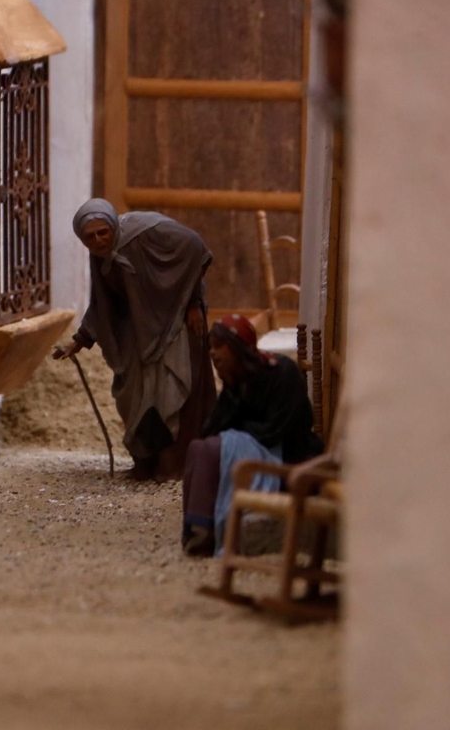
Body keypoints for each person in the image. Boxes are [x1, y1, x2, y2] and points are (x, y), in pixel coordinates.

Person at [54, 198, 216, 481]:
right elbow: (103, 304)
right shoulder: (100, 255)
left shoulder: (146, 232)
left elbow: (194, 247)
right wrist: (78, 341)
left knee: (173, 394)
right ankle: (146, 463)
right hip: (139, 335)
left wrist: (192, 303)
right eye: (90, 236)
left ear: (112, 226)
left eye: (103, 232)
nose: (99, 239)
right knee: (134, 396)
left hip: (175, 325)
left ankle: (174, 466)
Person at [182, 314, 323, 556]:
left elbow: (275, 430)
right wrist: (232, 404)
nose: (213, 355)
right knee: (198, 447)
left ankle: (206, 533)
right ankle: (198, 527)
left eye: (220, 347)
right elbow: (212, 428)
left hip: (290, 455)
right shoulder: (236, 383)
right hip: (260, 447)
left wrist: (231, 436)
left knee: (211, 448)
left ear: (238, 349)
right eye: (211, 349)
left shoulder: (282, 373)